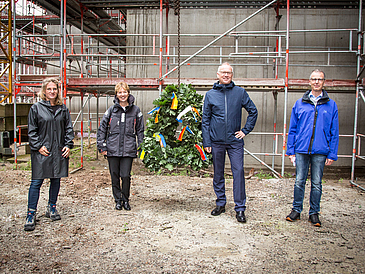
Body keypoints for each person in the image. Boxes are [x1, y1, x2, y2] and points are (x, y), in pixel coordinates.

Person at [202, 62, 258, 223]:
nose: (226, 75)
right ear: (217, 75)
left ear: (232, 75)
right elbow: (205, 120)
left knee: (238, 172)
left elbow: (253, 111)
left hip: (234, 142)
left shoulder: (240, 93)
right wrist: (207, 141)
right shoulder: (211, 95)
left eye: (229, 73)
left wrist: (245, 130)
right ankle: (220, 203)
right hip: (216, 141)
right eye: (223, 72)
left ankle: (240, 208)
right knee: (218, 173)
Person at [286, 69, 339, 227]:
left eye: (320, 79)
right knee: (299, 181)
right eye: (314, 79)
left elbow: (334, 132)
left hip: (320, 151)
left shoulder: (331, 105)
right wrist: (291, 151)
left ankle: (314, 213)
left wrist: (332, 153)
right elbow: (293, 129)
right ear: (309, 82)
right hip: (301, 150)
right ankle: (296, 210)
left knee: (316, 183)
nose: (316, 82)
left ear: (324, 82)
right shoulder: (300, 103)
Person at [24, 78, 74, 231]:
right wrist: (38, 146)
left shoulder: (63, 109)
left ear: (58, 91)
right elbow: (31, 131)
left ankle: (52, 207)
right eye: (49, 89)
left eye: (55, 89)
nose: (52, 91)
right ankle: (30, 213)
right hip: (42, 151)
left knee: (55, 179)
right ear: (44, 91)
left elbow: (68, 129)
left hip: (58, 150)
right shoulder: (36, 108)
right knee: (36, 182)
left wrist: (68, 144)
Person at [97, 82, 144, 211]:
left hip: (128, 149)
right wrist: (102, 146)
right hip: (113, 149)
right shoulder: (111, 110)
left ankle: (125, 199)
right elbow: (102, 129)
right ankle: (117, 200)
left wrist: (141, 146)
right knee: (114, 175)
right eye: (120, 92)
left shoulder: (136, 110)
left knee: (125, 175)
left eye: (124, 92)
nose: (122, 95)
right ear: (116, 95)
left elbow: (140, 130)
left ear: (128, 93)